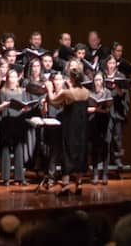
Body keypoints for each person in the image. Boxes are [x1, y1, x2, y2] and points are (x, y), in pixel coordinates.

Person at [45, 68, 90, 196]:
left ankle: (65, 186)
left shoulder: (68, 93)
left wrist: (49, 89)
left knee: (68, 153)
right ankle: (79, 184)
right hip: (82, 129)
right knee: (80, 154)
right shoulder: (86, 92)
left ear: (72, 79)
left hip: (70, 128)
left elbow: (53, 100)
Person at [0, 69, 32, 186]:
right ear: (7, 79)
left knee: (19, 148)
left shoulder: (22, 91)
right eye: (10, 77)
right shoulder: (3, 92)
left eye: (14, 77)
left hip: (19, 121)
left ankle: (20, 177)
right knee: (6, 149)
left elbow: (26, 105)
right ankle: (6, 177)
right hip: (7, 121)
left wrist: (26, 108)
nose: (13, 80)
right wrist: (4, 105)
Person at [103, 54, 130, 175]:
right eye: (110, 63)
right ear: (106, 64)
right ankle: (105, 160)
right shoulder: (102, 75)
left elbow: (123, 94)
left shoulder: (121, 76)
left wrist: (117, 87)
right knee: (106, 137)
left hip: (117, 109)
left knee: (117, 136)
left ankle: (118, 160)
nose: (111, 65)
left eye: (113, 63)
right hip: (106, 109)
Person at [87, 72, 113, 185]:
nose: (98, 82)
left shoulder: (107, 92)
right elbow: (87, 108)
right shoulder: (90, 93)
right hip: (94, 122)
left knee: (105, 148)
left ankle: (105, 174)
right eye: (96, 80)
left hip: (105, 122)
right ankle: (95, 173)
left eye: (100, 79)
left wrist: (100, 109)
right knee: (95, 148)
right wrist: (91, 109)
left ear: (103, 81)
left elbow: (109, 108)